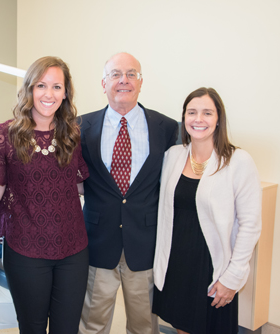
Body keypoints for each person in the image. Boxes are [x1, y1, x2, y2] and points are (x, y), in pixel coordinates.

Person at [0, 56, 89, 334]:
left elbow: (79, 184)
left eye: (57, 87)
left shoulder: (73, 134)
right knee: (32, 328)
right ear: (30, 89)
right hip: (25, 249)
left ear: (66, 92)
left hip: (73, 250)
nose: (49, 94)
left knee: (67, 328)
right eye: (41, 85)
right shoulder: (4, 135)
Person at [78, 52, 178, 334]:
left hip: (144, 245)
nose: (124, 80)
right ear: (103, 82)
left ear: (141, 81)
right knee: (91, 325)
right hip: (98, 244)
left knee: (145, 326)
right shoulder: (80, 127)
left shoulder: (167, 128)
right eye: (116, 74)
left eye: (131, 74)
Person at [152, 87, 262, 334]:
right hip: (177, 264)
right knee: (182, 328)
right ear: (184, 118)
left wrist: (232, 277)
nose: (198, 119)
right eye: (191, 112)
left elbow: (250, 225)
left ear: (218, 119)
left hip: (212, 268)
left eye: (207, 113)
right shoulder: (173, 156)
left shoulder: (238, 161)